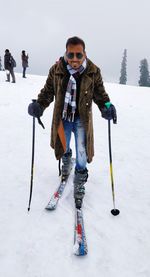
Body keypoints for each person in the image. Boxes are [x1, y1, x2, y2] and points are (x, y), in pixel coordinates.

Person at [28, 36, 117, 209]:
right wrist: (39, 105)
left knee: (82, 152)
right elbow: (47, 91)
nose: (74, 59)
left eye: (78, 55)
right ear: (66, 53)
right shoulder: (57, 69)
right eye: (71, 55)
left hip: (82, 120)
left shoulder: (93, 71)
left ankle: (79, 183)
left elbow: (100, 94)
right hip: (63, 119)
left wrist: (107, 106)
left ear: (84, 54)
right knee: (64, 144)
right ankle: (67, 164)